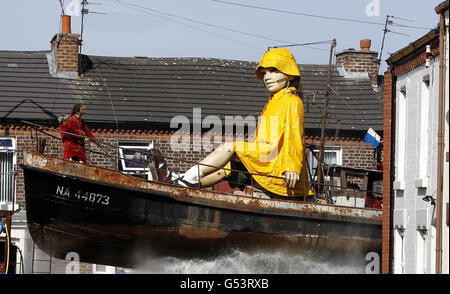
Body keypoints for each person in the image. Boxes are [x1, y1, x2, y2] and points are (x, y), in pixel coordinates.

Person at [180, 48, 313, 198]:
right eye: (264, 73)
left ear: (288, 73)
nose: (267, 77)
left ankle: (186, 178)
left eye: (273, 71)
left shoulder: (291, 101)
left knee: (231, 147)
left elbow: (294, 135)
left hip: (275, 162)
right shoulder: (273, 101)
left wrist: (292, 167)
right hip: (265, 156)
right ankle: (184, 183)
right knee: (228, 167)